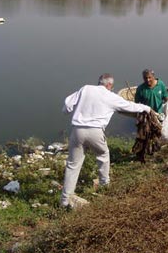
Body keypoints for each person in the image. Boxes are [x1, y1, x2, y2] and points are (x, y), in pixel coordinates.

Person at [60, 73, 151, 208]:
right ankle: (104, 184)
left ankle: (65, 200)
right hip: (95, 131)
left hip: (77, 130)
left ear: (99, 82)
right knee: (103, 155)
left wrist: (66, 110)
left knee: (72, 165)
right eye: (112, 86)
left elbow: (68, 103)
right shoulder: (111, 96)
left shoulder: (86, 88)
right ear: (109, 85)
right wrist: (147, 108)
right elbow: (130, 106)